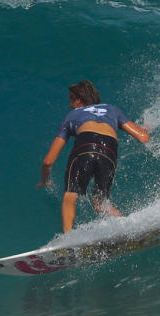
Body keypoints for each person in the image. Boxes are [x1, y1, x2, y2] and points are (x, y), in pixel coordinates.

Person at [36, 80, 151, 232]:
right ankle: (128, 229)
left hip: (85, 146)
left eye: (71, 99)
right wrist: (146, 127)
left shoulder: (73, 115)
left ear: (79, 100)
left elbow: (48, 161)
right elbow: (143, 137)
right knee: (99, 202)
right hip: (109, 150)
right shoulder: (112, 109)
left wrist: (44, 180)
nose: (70, 104)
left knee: (70, 196)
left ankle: (68, 239)